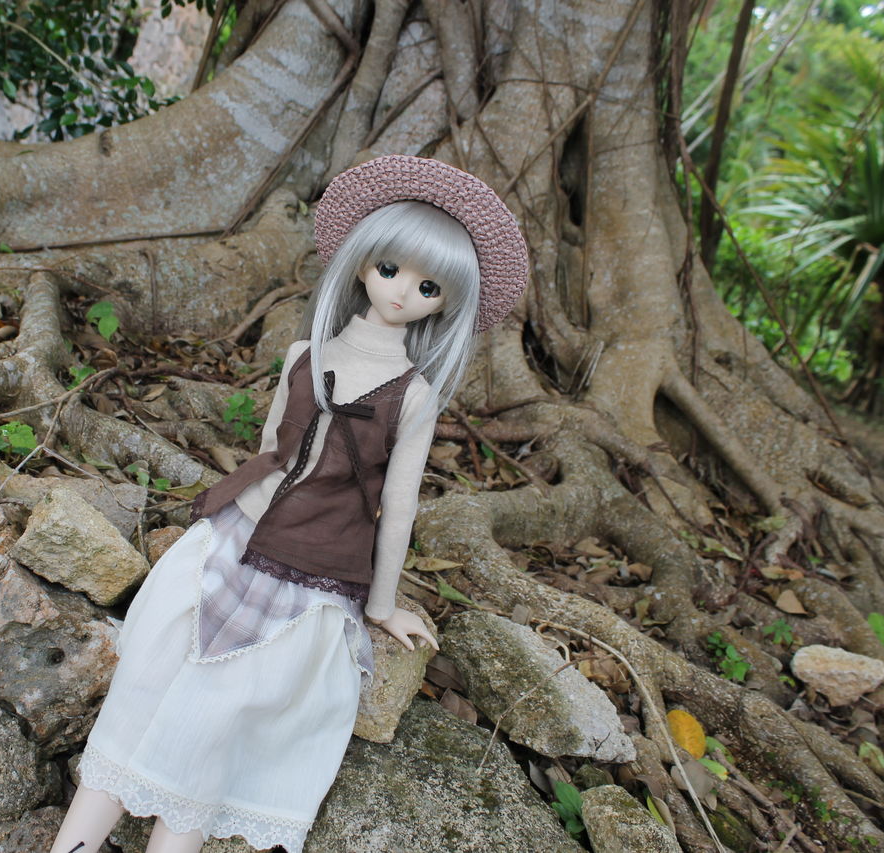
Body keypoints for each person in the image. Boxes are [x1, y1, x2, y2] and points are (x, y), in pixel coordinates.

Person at [48, 154, 529, 853]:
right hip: (232, 541)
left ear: (445, 303)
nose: (401, 292)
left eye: (428, 286)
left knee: (213, 725)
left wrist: (381, 605)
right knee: (147, 689)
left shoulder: (415, 394)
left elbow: (398, 510)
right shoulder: (305, 352)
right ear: (363, 264)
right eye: (389, 268)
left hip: (311, 573)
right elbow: (272, 448)